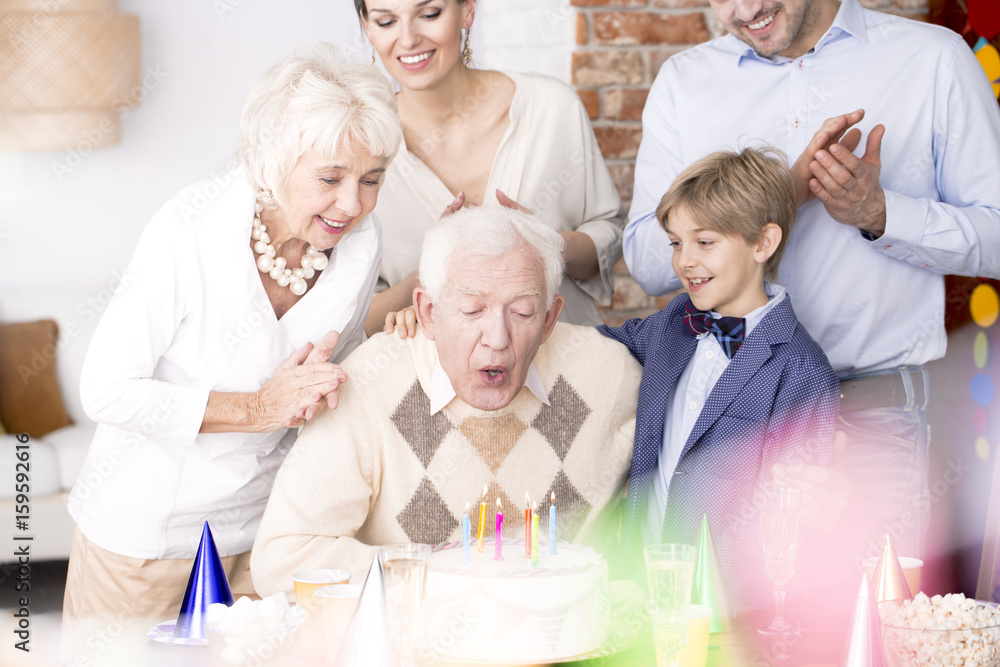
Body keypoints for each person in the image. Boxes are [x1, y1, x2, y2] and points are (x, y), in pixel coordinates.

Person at [623, 0, 1000, 565]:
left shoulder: (933, 62)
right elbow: (648, 261)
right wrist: (778, 196)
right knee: (719, 633)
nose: (743, 10)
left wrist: (880, 214)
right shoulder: (685, 81)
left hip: (872, 421)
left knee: (865, 637)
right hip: (723, 422)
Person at [61, 42, 403, 659]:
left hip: (267, 535)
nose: (351, 204)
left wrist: (392, 340)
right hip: (147, 541)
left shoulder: (358, 240)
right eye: (329, 178)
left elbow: (333, 366)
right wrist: (258, 407)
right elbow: (106, 390)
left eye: (371, 179)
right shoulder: (189, 230)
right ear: (274, 164)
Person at [251, 206, 641, 592]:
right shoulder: (369, 383)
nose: (498, 338)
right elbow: (283, 560)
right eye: (472, 310)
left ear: (550, 319)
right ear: (428, 312)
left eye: (523, 312)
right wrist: (446, 576)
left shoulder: (608, 374)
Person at [599, 148, 839, 604]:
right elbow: (600, 346)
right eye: (675, 243)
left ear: (763, 243)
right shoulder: (674, 322)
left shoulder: (802, 371)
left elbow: (792, 519)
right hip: (637, 591)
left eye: (704, 242)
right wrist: (521, 321)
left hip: (726, 612)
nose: (684, 261)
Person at [352, 0, 626, 333]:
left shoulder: (551, 108)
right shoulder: (361, 147)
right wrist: (424, 279)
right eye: (386, 22)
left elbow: (608, 236)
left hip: (564, 367)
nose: (408, 39)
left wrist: (544, 243)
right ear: (368, 28)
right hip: (429, 381)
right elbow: (352, 319)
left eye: (428, 14)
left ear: (467, 10)